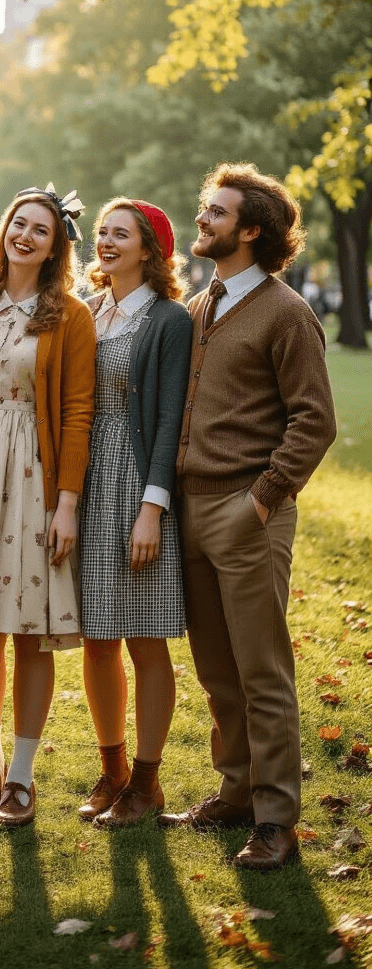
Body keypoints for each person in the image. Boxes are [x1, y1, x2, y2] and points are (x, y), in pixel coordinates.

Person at [158, 162, 336, 870]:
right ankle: (234, 792)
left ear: (252, 230)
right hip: (191, 512)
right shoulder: (202, 307)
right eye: (205, 209)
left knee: (262, 672)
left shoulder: (287, 312)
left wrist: (262, 500)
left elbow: (314, 422)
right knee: (216, 670)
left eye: (216, 213)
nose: (202, 220)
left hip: (248, 513)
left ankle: (276, 822)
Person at [0, 185, 96, 827]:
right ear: (4, 230)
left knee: (31, 630)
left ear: (54, 246)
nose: (26, 235)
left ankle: (21, 775)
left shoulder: (69, 315)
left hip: (33, 474)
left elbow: (76, 411)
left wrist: (65, 505)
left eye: (41, 229)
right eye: (19, 223)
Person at [78, 199, 193, 827]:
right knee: (98, 637)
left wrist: (153, 508)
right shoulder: (91, 310)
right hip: (90, 478)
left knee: (145, 638)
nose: (106, 241)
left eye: (120, 234)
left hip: (137, 478)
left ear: (149, 249)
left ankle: (147, 784)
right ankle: (114, 770)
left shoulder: (168, 319)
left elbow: (171, 417)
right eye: (101, 231)